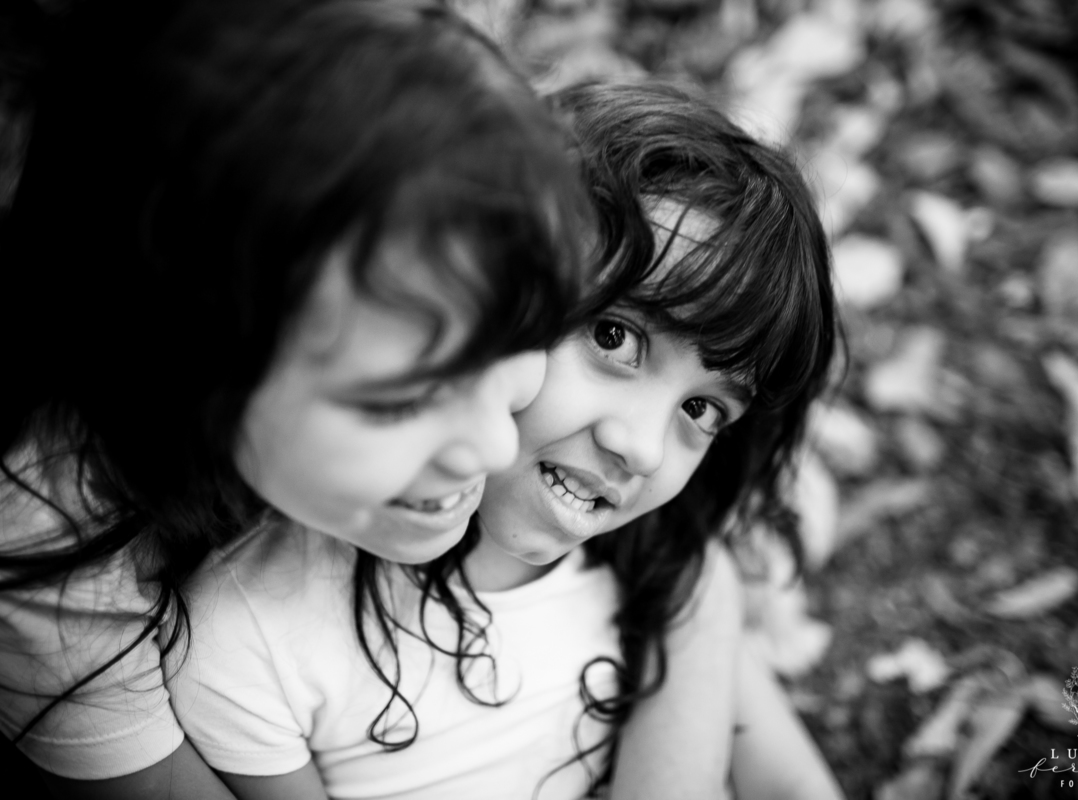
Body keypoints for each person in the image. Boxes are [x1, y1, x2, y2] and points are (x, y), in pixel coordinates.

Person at [165, 81, 844, 799]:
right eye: (615, 337)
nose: (642, 448)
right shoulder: (252, 635)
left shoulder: (667, 567)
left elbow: (795, 788)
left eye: (702, 409)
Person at [0, 0, 590, 797]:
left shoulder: (440, 131)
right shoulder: (47, 542)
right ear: (184, 365)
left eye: (520, 336)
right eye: (402, 400)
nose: (494, 444)